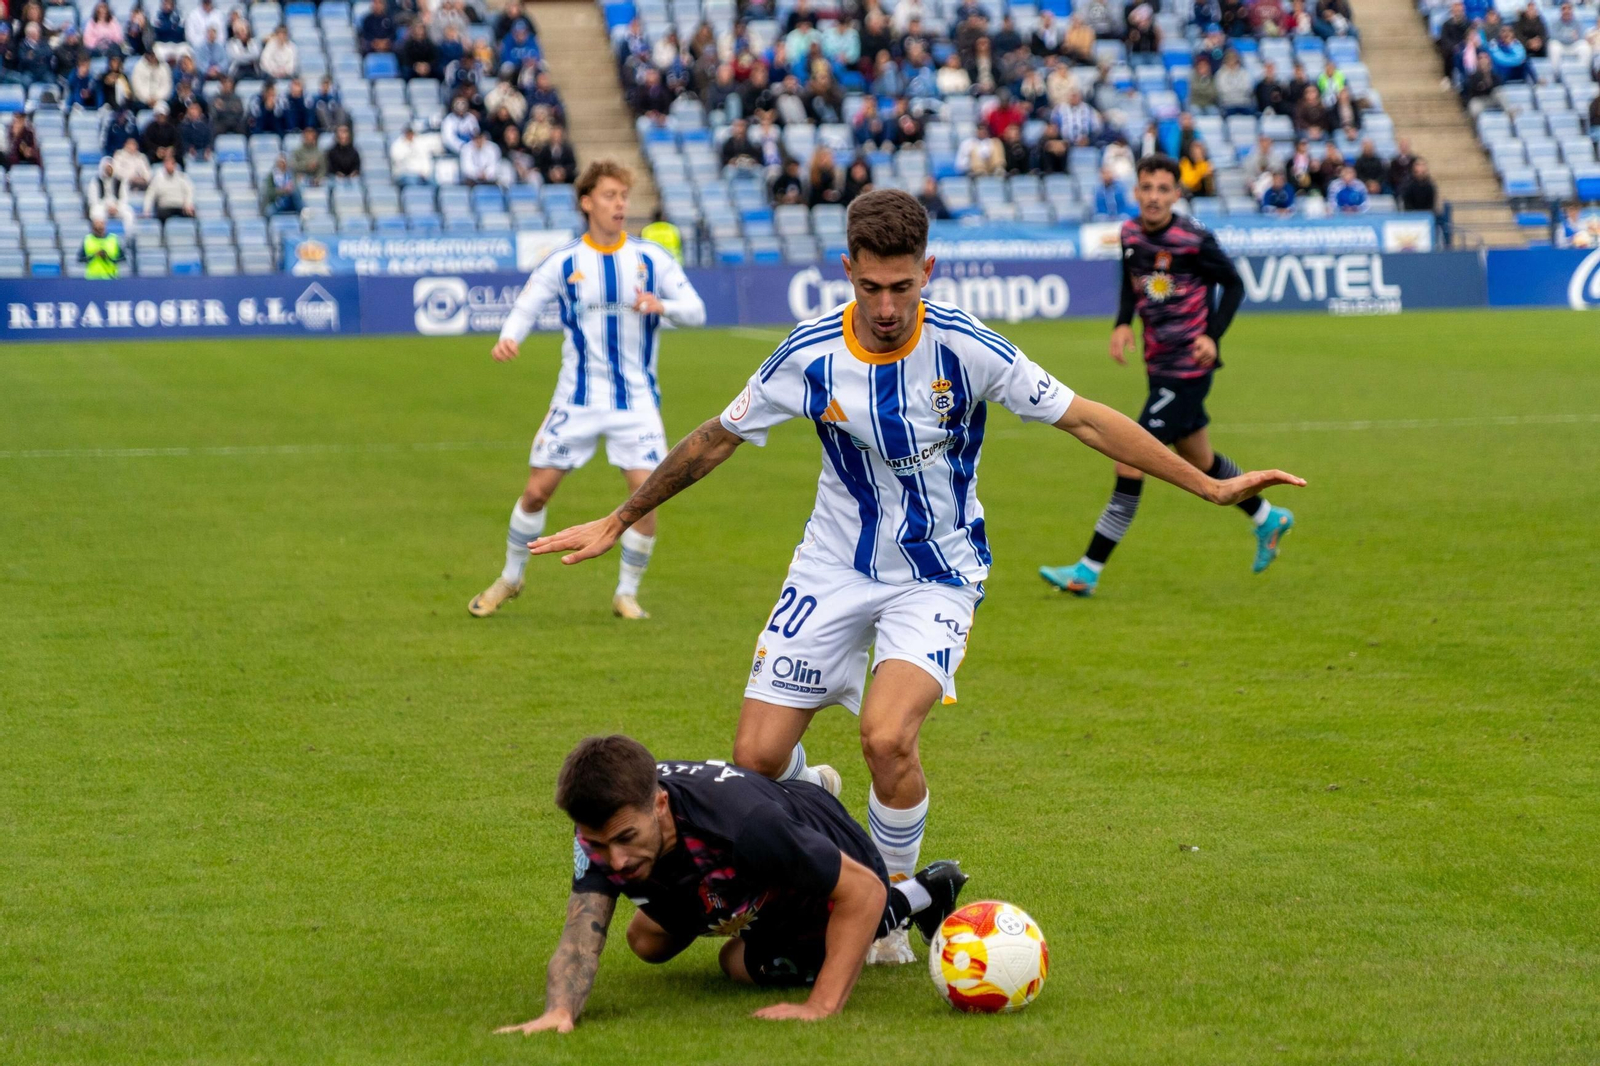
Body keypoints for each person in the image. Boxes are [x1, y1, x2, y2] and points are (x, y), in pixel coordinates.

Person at [528, 189, 1303, 964]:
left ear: (927, 271)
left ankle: (888, 909)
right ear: (848, 270)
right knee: (758, 761)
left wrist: (1210, 487)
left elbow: (1087, 418)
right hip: (831, 567)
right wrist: (621, 517)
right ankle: (812, 799)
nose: (888, 307)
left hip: (937, 574)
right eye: (871, 287)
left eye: (903, 286)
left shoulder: (967, 348)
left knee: (887, 738)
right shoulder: (809, 353)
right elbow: (715, 438)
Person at [493, 736, 970, 1034]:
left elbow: (862, 891)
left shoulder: (743, 824)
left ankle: (919, 892)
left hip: (838, 861)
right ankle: (765, 869)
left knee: (738, 963)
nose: (615, 860)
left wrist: (821, 1006)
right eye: (601, 844)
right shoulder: (602, 830)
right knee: (646, 941)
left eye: (626, 838)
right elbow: (580, 938)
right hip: (754, 854)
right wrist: (559, 1012)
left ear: (659, 804)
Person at [1041, 157, 1298, 597]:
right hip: (1158, 365)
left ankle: (1088, 570)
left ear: (1177, 194)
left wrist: (1212, 336)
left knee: (1129, 456)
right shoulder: (1129, 234)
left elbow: (1234, 285)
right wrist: (1122, 324)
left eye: (1163, 189)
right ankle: (1267, 517)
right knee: (1200, 458)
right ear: (1136, 192)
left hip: (1188, 368)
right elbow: (1131, 280)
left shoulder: (1194, 239)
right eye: (1147, 188)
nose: (1154, 197)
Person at [468, 162, 708, 622]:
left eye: (624, 196)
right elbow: (527, 304)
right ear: (586, 202)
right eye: (610, 195)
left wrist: (663, 305)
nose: (620, 204)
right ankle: (511, 577)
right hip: (576, 399)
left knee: (646, 497)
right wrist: (509, 336)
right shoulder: (564, 261)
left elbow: (696, 311)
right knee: (536, 492)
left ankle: (626, 594)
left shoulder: (651, 259)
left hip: (635, 402)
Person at [143, 153, 196, 223]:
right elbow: (150, 194)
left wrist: (188, 204)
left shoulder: (182, 177)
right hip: (165, 206)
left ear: (175, 165)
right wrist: (147, 209)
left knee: (192, 213)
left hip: (180, 206)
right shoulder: (157, 179)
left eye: (171, 164)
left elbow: (189, 191)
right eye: (167, 163)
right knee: (160, 215)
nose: (169, 166)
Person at [80, 206, 125, 279]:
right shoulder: (88, 239)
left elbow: (122, 258)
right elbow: (81, 259)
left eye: (101, 224)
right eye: (97, 224)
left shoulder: (113, 239)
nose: (99, 227)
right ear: (93, 226)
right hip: (92, 278)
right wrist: (94, 255)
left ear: (105, 225)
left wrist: (108, 258)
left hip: (110, 277)